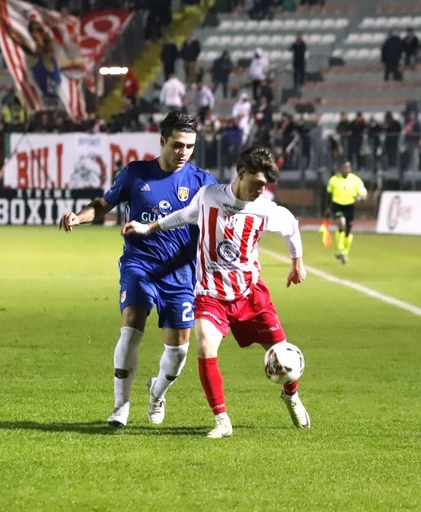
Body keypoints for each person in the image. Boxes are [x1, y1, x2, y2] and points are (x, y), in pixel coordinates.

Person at [123, 145, 310, 439]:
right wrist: (147, 229)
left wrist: (297, 263)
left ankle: (291, 395)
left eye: (266, 186)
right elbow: (183, 215)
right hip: (210, 293)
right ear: (242, 173)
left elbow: (291, 227)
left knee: (282, 354)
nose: (261, 191)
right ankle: (222, 421)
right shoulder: (210, 197)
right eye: (258, 184)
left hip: (251, 293)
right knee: (206, 347)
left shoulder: (265, 209)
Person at [58, 112, 218, 428]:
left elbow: (224, 210)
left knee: (179, 352)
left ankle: (157, 393)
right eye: (177, 145)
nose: (183, 152)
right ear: (162, 141)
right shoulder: (136, 173)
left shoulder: (202, 181)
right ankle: (121, 406)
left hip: (181, 274)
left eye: (189, 146)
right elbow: (103, 204)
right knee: (131, 328)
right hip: (139, 265)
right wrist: (80, 216)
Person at [325, 161, 367, 264]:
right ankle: (340, 248)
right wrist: (327, 208)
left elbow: (363, 194)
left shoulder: (355, 180)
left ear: (350, 169)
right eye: (344, 167)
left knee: (348, 231)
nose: (346, 169)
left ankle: (344, 251)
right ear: (341, 169)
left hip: (349, 206)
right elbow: (328, 194)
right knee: (341, 223)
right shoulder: (334, 180)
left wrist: (361, 198)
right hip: (337, 205)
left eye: (348, 167)